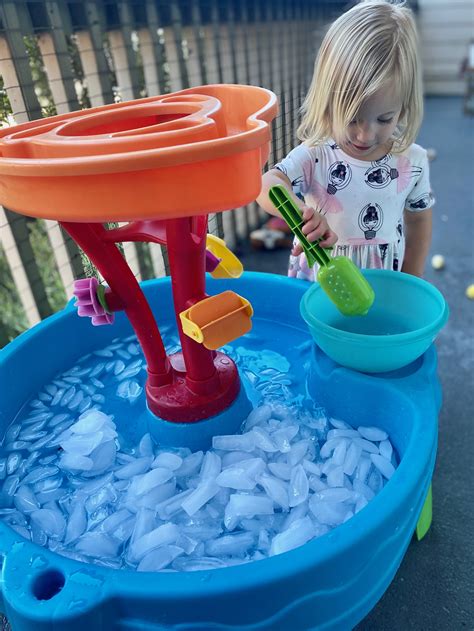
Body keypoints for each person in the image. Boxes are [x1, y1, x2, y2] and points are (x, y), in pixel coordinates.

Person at [256, 0, 434, 280]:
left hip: (383, 280)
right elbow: (267, 184)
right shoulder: (317, 154)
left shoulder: (412, 161)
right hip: (319, 279)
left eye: (384, 119)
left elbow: (419, 219)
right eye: (352, 118)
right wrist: (300, 211)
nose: (365, 135)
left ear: (404, 106)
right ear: (327, 102)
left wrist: (412, 278)